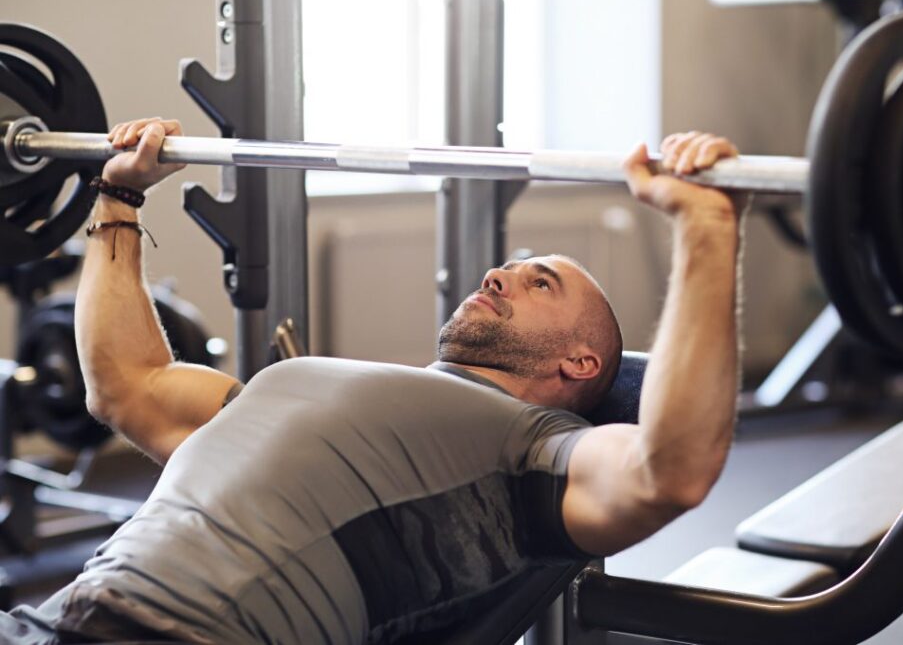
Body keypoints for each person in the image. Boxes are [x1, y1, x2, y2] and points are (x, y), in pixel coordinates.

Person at [2, 118, 742, 644]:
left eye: (539, 281)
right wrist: (118, 195)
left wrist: (705, 230)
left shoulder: (532, 449)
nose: (498, 274)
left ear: (579, 362)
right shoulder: (292, 386)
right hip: (48, 620)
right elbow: (127, 382)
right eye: (509, 266)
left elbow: (667, 472)